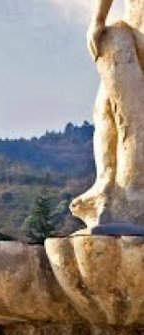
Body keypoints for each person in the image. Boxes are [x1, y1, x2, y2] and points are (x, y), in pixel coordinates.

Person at [75, 0, 144, 228]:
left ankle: (132, 191)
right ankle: (108, 183)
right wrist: (98, 20)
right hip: (130, 34)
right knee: (105, 108)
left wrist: (98, 20)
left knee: (130, 114)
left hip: (132, 37)